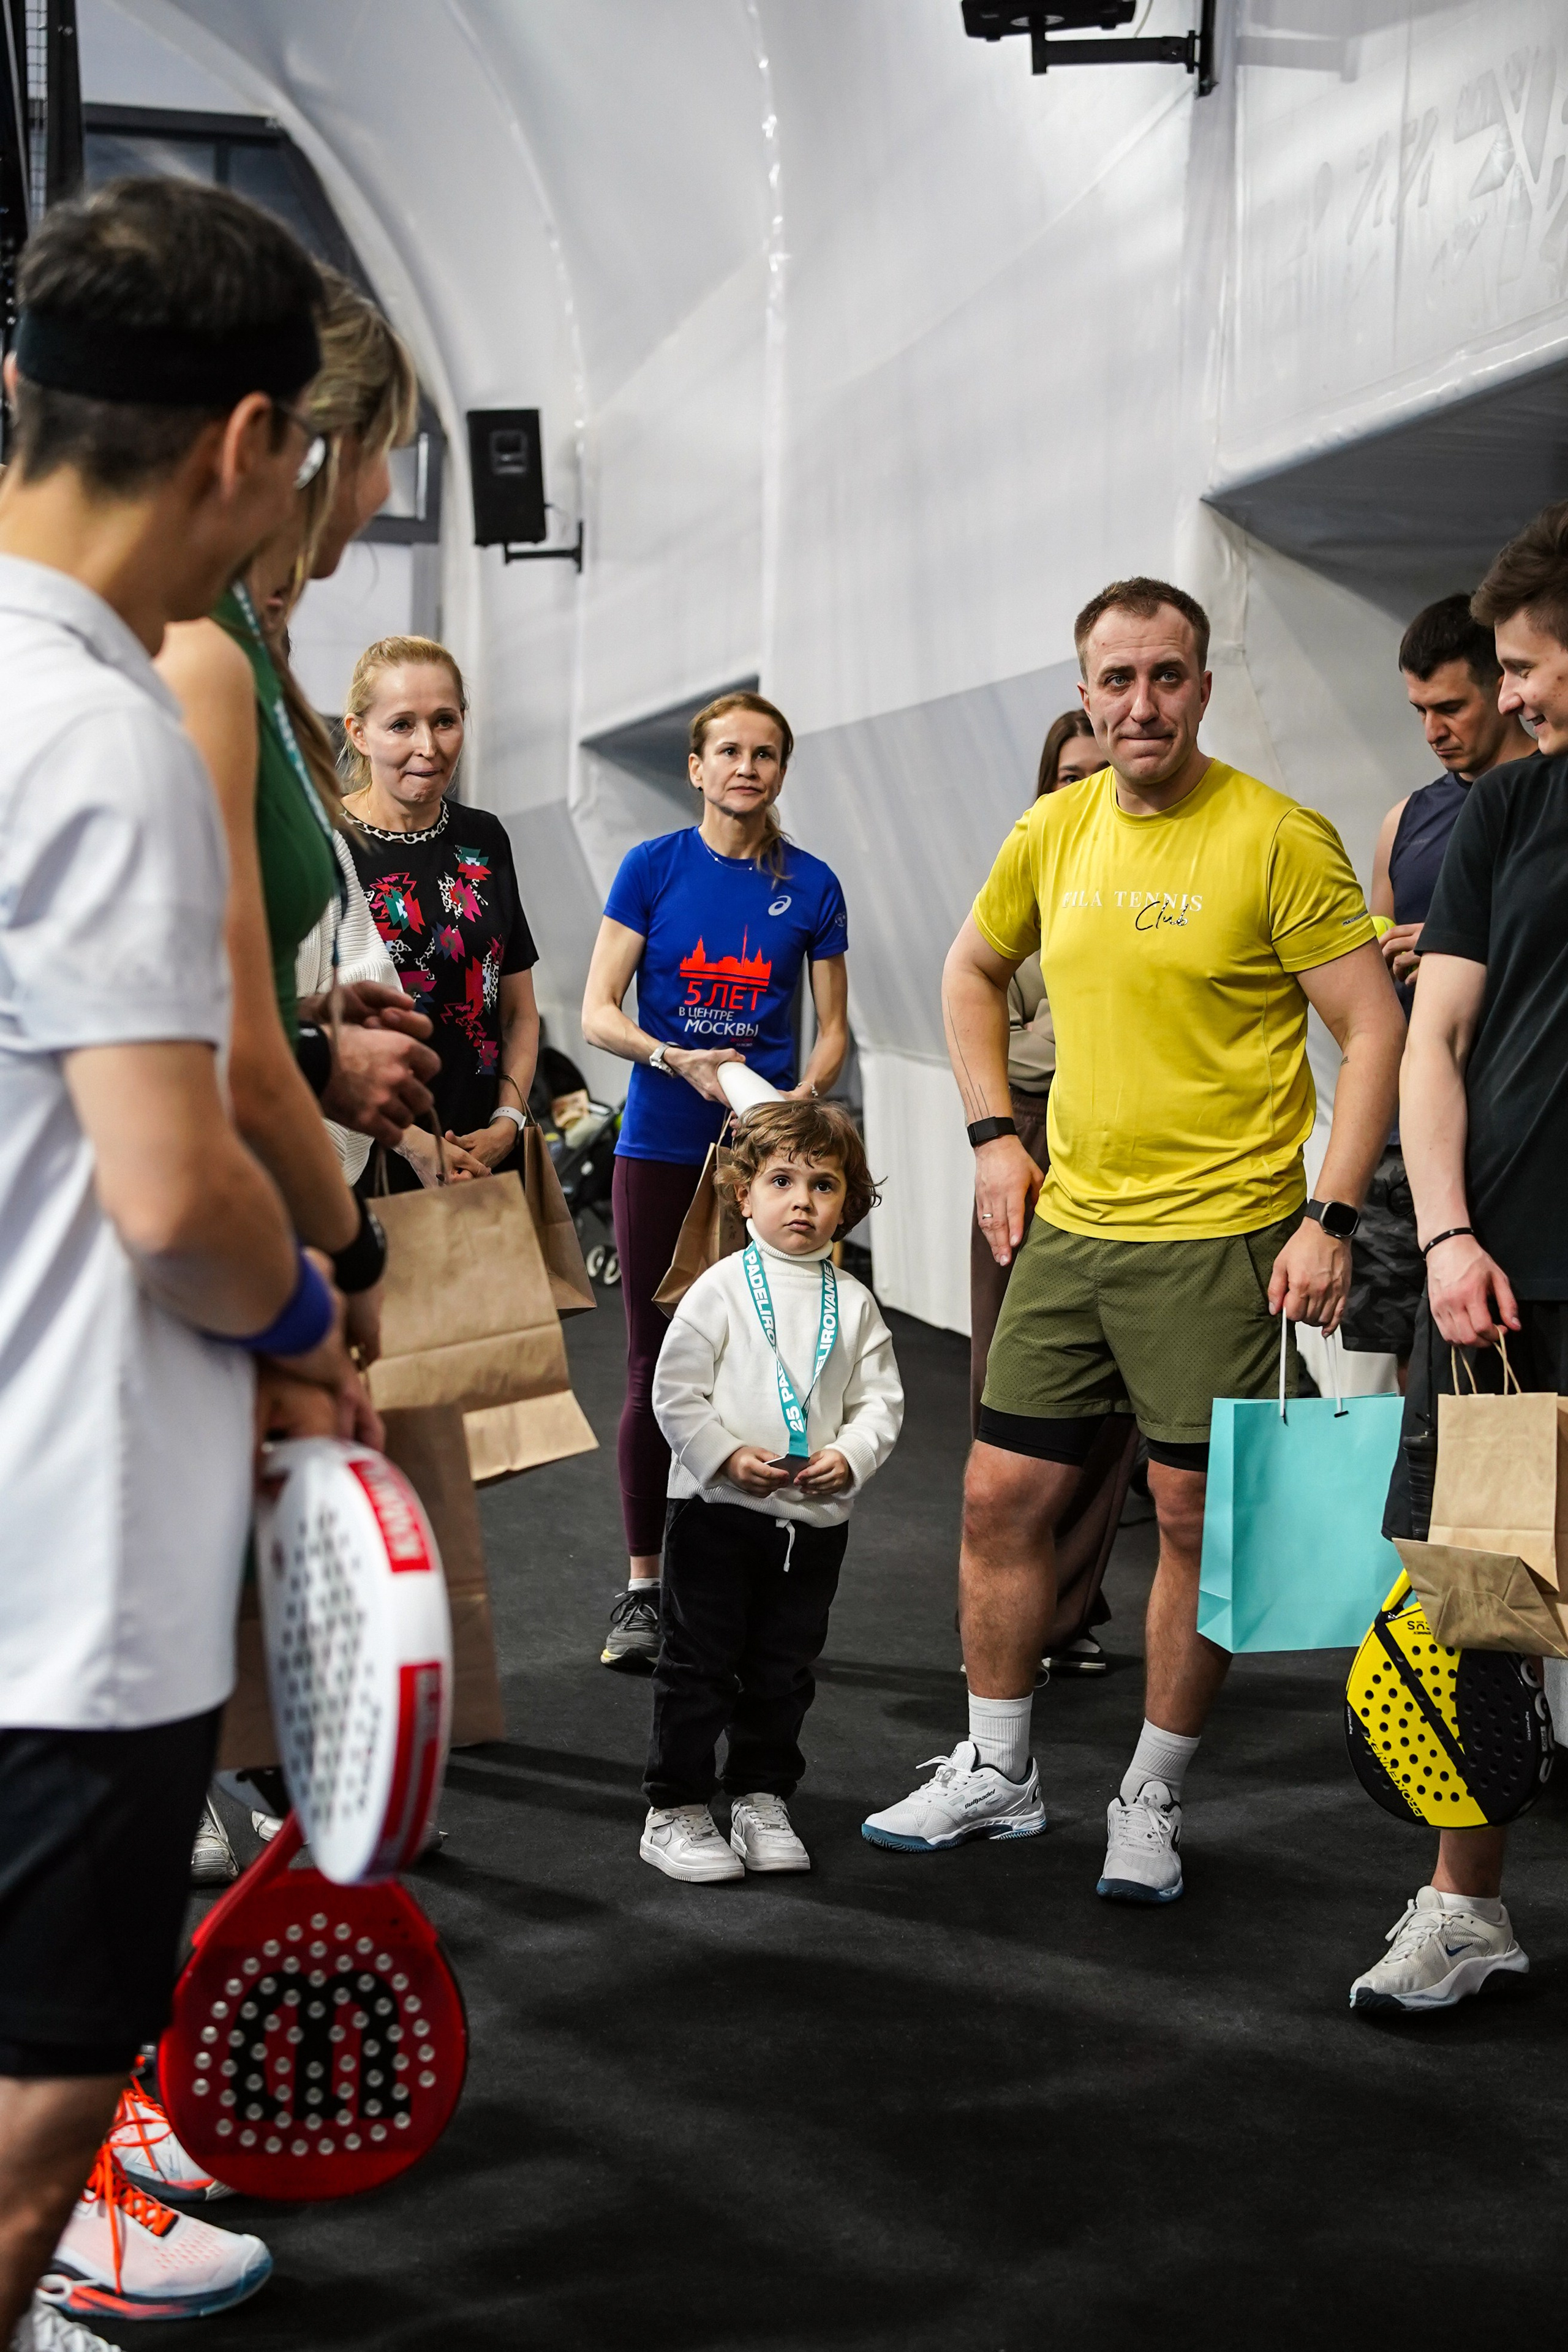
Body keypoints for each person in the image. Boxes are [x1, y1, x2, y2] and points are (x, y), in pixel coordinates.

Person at [0, 176, 375, 2348]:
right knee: (51, 2095)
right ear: (248, 442)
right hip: (67, 1554)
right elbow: (174, 1181)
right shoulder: (110, 723)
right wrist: (314, 1309)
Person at [863, 576, 1404, 1890]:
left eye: (1165, 677)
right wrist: (997, 1133)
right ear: (1085, 694)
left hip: (1222, 1237)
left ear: (1202, 688)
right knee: (998, 1494)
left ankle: (1149, 1794)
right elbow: (969, 969)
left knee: (1187, 1521)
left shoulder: (1276, 836)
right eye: (1115, 681)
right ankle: (997, 1770)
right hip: (1073, 1230)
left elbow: (1371, 1029)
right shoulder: (1051, 829)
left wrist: (1328, 1215)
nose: (1139, 703)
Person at [1351, 502, 1568, 2013]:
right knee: (1478, 1596)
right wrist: (1438, 1229)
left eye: (1524, 665)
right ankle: (1462, 1907)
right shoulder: (1502, 815)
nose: (1507, 698)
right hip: (1495, 1276)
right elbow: (1432, 1037)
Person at [581, 692, 851, 1674]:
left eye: (766, 753)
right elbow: (598, 1012)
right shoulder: (652, 868)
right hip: (661, 1145)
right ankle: (645, 1590)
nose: (747, 767)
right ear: (696, 767)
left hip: (764, 1161)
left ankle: (747, 1579)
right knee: (657, 1366)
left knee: (771, 1367)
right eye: (728, 752)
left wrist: (799, 1104)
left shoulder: (813, 885)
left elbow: (832, 1031)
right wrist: (675, 1059)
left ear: (782, 770)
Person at [640, 1101, 902, 1880]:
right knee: (697, 1664)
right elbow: (675, 1393)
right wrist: (720, 1456)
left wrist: (852, 1457)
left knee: (784, 1669)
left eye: (824, 1185)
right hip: (714, 1513)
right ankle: (675, 1808)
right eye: (781, 1180)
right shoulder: (718, 1289)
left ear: (846, 1204)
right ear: (742, 1193)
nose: (802, 1200)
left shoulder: (852, 1303)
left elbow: (878, 1403)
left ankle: (759, 1795)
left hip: (813, 1523)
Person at [968, 706, 1136, 1682]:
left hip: (1129, 1158)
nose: (1082, 785)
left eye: (1095, 768)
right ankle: (1001, 1620)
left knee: (1112, 1412)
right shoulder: (1030, 877)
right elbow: (1003, 1021)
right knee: (1009, 1384)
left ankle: (1064, 1611)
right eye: (1066, 773)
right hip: (1027, 1143)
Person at [1341, 595, 1537, 1376]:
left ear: (1505, 685)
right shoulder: (1406, 820)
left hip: (1512, 1134)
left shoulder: (1545, 802)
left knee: (1509, 1380)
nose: (1432, 730)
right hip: (1403, 1150)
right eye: (1419, 709)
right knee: (1392, 1380)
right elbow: (1370, 997)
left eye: (1449, 706)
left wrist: (1462, 950)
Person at [342, 636, 541, 1192]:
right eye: (401, 725)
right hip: (366, 1156)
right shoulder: (322, 846)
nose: (428, 746)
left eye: (445, 721)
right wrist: (412, 1140)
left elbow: (519, 1013)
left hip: (482, 1155)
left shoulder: (484, 837)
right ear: (360, 733)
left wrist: (508, 1120)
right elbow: (297, 1027)